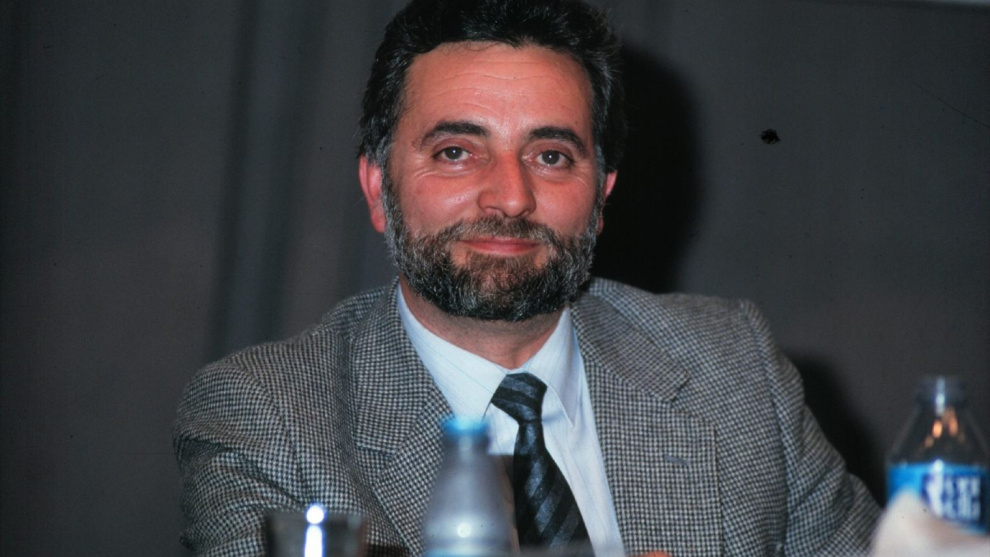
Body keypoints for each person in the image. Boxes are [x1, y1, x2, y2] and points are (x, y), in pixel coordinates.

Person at [173, 0, 879, 555]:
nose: (510, 197)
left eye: (550, 156)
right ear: (378, 188)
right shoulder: (267, 418)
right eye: (457, 151)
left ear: (601, 194)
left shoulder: (734, 370)